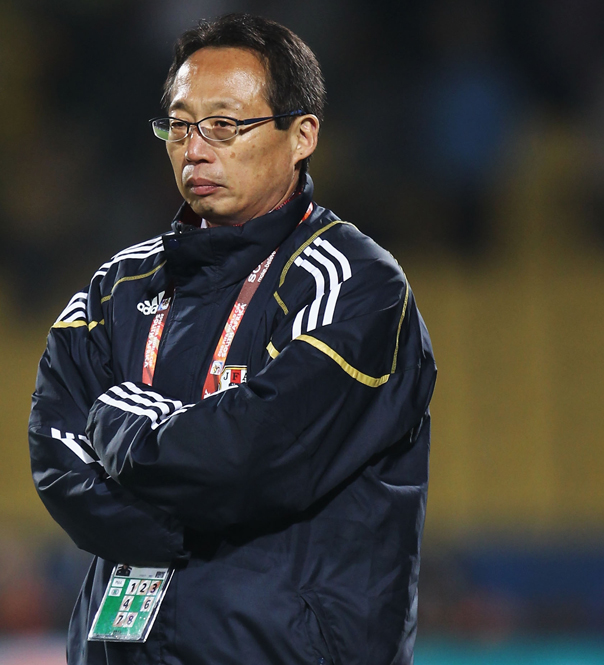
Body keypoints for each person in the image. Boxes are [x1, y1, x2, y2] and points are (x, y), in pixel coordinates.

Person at [29, 13, 436, 665]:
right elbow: (57, 456)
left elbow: (259, 455)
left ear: (302, 134)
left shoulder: (354, 282)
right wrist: (191, 503)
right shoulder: (116, 287)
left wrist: (131, 432)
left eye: (224, 125)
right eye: (180, 125)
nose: (194, 149)